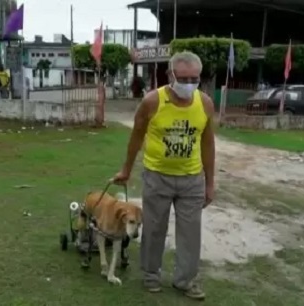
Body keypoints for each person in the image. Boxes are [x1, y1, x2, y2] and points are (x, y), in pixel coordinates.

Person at [111, 51, 215, 300]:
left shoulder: (205, 103)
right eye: (184, 78)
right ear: (170, 75)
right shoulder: (151, 102)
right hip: (157, 176)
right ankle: (150, 275)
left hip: (191, 180)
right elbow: (136, 136)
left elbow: (208, 144)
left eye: (194, 79)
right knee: (154, 229)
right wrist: (126, 169)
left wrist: (210, 183)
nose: (189, 84)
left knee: (191, 233)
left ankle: (185, 280)